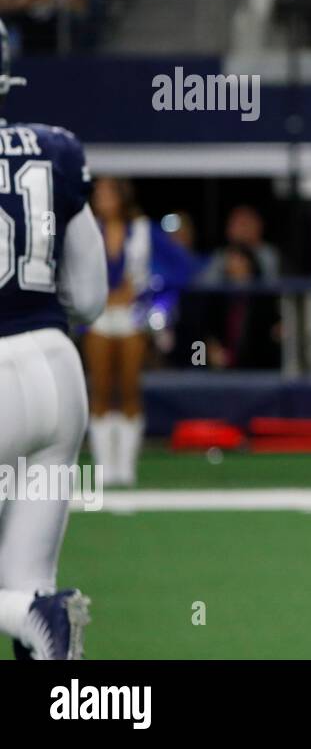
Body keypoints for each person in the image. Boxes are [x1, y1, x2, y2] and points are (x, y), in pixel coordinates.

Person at [0, 116, 106, 659]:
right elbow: (90, 298)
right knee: (29, 578)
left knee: (23, 606)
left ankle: (32, 613)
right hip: (56, 368)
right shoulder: (53, 147)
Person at [84, 176, 195, 487]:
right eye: (98, 193)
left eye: (108, 192)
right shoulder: (87, 229)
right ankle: (105, 465)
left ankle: (126, 466)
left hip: (132, 316)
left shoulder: (144, 230)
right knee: (102, 389)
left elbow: (183, 267)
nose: (102, 198)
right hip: (99, 316)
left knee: (130, 388)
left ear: (122, 196)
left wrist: (152, 293)